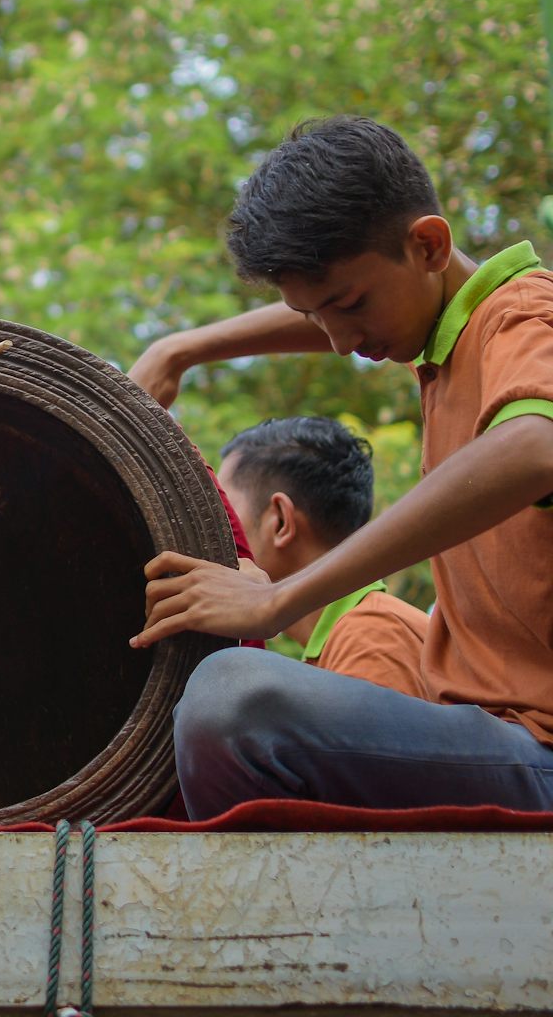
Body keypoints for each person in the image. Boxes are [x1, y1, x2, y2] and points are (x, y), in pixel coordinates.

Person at [126, 115, 553, 818]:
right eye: (316, 316)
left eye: (350, 306)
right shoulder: (444, 338)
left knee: (233, 700)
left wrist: (277, 600)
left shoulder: (524, 316)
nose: (340, 340)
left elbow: (536, 445)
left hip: (538, 753)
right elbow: (334, 311)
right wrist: (184, 348)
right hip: (495, 740)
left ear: (428, 245)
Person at [217, 416, 427, 696]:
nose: (215, 528)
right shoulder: (345, 638)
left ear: (280, 522)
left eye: (224, 512)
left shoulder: (370, 636)